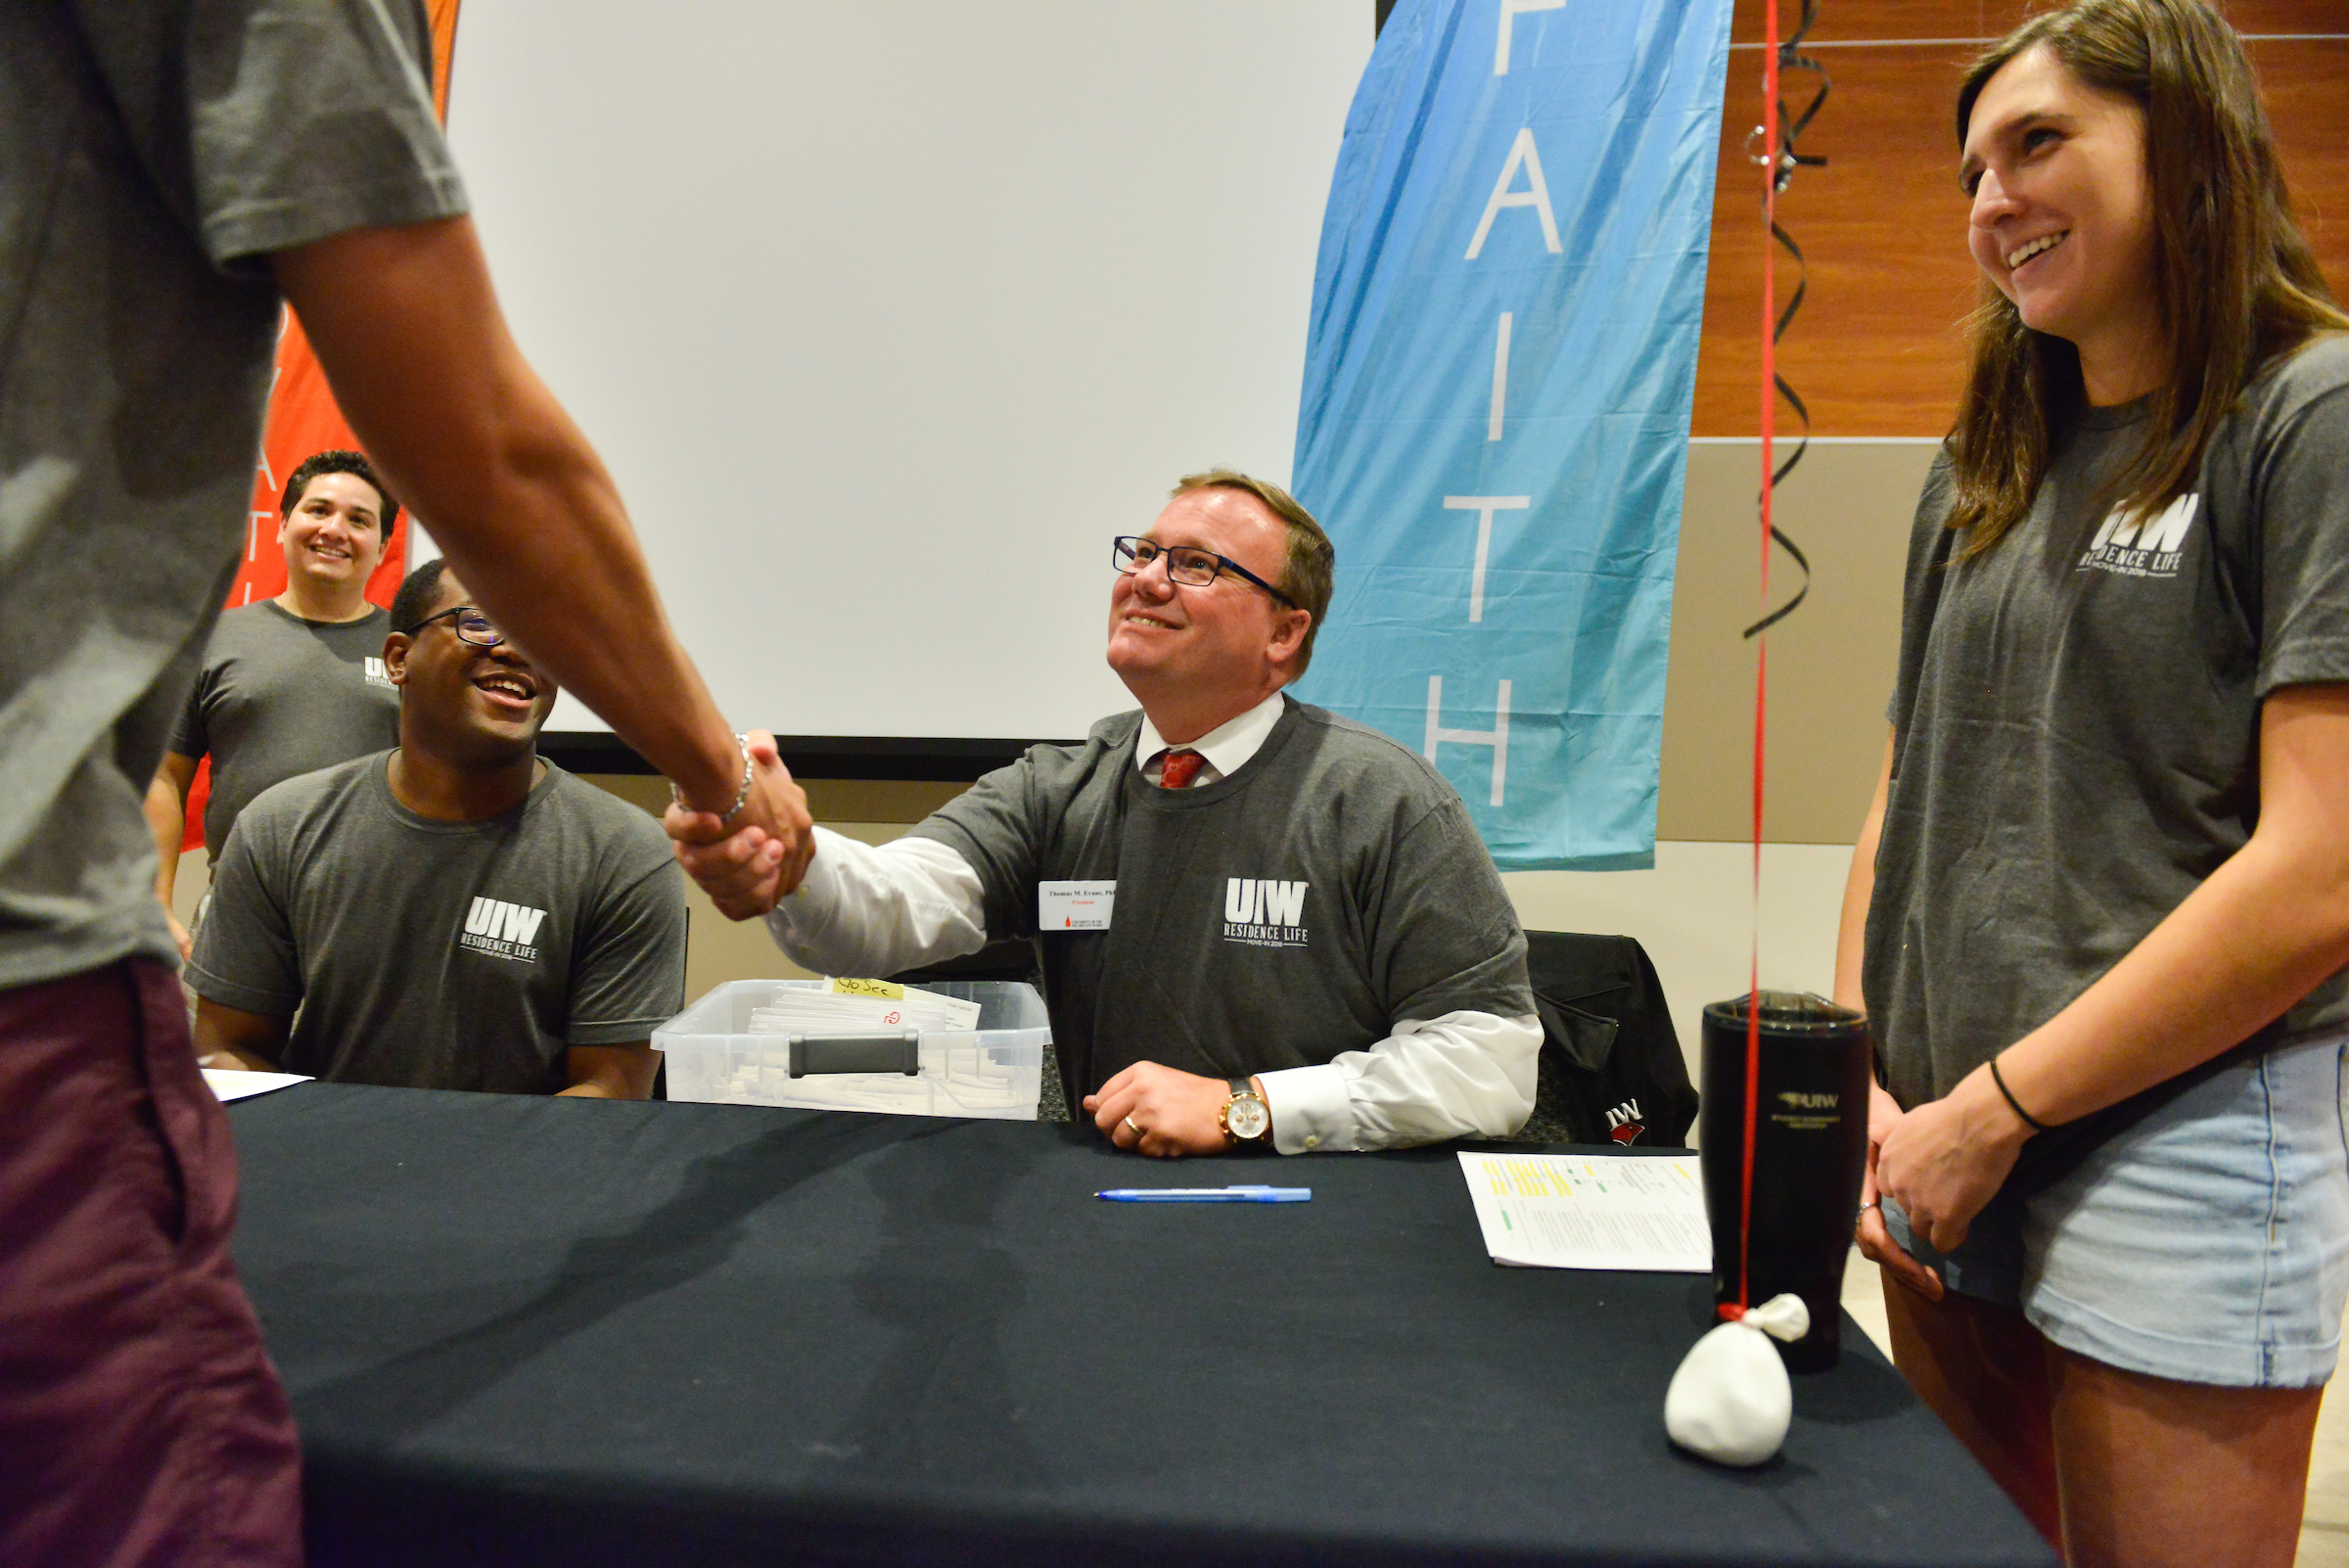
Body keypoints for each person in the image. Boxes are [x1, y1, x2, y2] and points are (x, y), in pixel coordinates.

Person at [0, 7, 810, 1564]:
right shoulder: (294, 822)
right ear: (399, 651)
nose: (513, 662)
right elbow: (485, 445)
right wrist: (717, 764)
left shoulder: (607, 857)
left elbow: (605, 1092)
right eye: (474, 632)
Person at [1832, 3, 2349, 1563]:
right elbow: (1904, 786)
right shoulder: (1985, 453)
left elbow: (2323, 868)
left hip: (2170, 1138)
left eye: (2040, 143)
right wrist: (1870, 1079)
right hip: (1936, 1132)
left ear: (2185, 146)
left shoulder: (2307, 414)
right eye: (1974, 168)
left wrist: (1998, 1108)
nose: (1993, 201)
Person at [676, 471, 1542, 1157]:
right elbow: (896, 907)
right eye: (1142, 552)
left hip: (1320, 1213)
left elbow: (1492, 1059)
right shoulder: (1063, 784)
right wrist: (792, 862)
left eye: (1196, 564)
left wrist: (1250, 1107)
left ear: (1284, 636)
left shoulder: (1381, 799)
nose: (1146, 579)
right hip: (1112, 1207)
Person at [189, 562, 685, 1098]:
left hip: (521, 1175)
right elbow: (230, 1054)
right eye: (480, 622)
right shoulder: (279, 829)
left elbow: (608, 1092)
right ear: (400, 658)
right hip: (326, 1165)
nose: (518, 651)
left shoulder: (625, 854)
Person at [147, 449, 404, 960]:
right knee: (224, 1046)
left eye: (359, 520)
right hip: (239, 916)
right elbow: (165, 778)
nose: (335, 529)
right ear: (283, 524)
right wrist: (155, 904)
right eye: (318, 510)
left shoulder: (414, 650)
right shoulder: (213, 638)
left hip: (382, 923)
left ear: (381, 548)